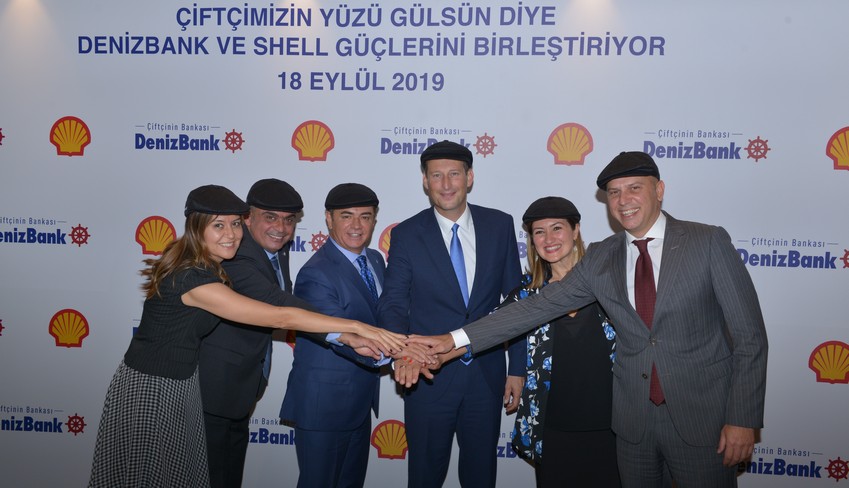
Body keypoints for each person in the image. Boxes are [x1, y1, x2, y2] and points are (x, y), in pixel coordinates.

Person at [415, 152, 769, 488]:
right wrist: (452, 340)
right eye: (614, 192)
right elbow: (534, 308)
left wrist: (742, 419)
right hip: (632, 429)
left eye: (634, 188)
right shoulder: (602, 256)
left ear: (659, 190)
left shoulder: (707, 241)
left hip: (701, 422)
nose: (623, 200)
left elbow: (749, 337)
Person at [88, 185, 407, 488]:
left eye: (234, 224)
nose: (231, 234)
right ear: (197, 228)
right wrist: (356, 329)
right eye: (218, 225)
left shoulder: (209, 267)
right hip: (153, 387)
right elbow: (280, 314)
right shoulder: (193, 279)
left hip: (181, 383)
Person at [377, 140, 524, 488]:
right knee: (425, 477)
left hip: (486, 377)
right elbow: (394, 302)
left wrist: (517, 368)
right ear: (425, 182)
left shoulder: (500, 225)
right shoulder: (406, 234)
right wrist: (402, 352)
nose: (446, 184)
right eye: (436, 175)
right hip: (427, 376)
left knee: (481, 477)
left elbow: (516, 304)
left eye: (454, 174)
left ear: (469, 177)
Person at [199, 178, 349, 488]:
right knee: (210, 476)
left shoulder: (275, 249)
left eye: (289, 220)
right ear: (248, 218)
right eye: (270, 217)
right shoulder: (236, 255)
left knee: (228, 475)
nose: (281, 228)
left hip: (243, 384)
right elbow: (278, 304)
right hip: (213, 387)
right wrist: (351, 331)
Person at [506, 196, 619, 487]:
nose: (549, 239)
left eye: (557, 228)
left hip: (615, 426)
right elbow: (490, 329)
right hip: (552, 428)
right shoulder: (526, 294)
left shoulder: (610, 282)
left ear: (575, 230)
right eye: (539, 232)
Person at [280, 183, 387, 487]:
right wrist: (397, 352)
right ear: (329, 219)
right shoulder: (316, 272)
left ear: (374, 220)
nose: (357, 225)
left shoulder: (375, 260)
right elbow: (339, 331)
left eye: (365, 216)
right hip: (324, 405)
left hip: (359, 403)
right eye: (346, 216)